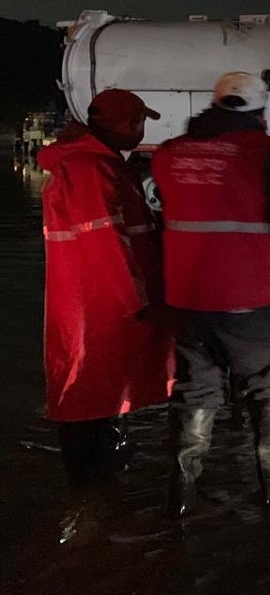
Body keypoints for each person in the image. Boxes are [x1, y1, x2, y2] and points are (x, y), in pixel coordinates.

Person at [150, 72, 270, 516]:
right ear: (261, 113)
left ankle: (181, 500)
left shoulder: (170, 154)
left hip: (188, 301)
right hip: (255, 301)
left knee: (195, 392)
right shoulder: (266, 154)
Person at [39, 89, 174, 486]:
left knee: (101, 387)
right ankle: (88, 484)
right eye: (140, 121)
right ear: (124, 124)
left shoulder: (99, 164)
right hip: (98, 302)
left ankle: (98, 479)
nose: (142, 129)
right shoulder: (90, 168)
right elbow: (107, 242)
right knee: (88, 388)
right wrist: (140, 302)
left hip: (96, 297)